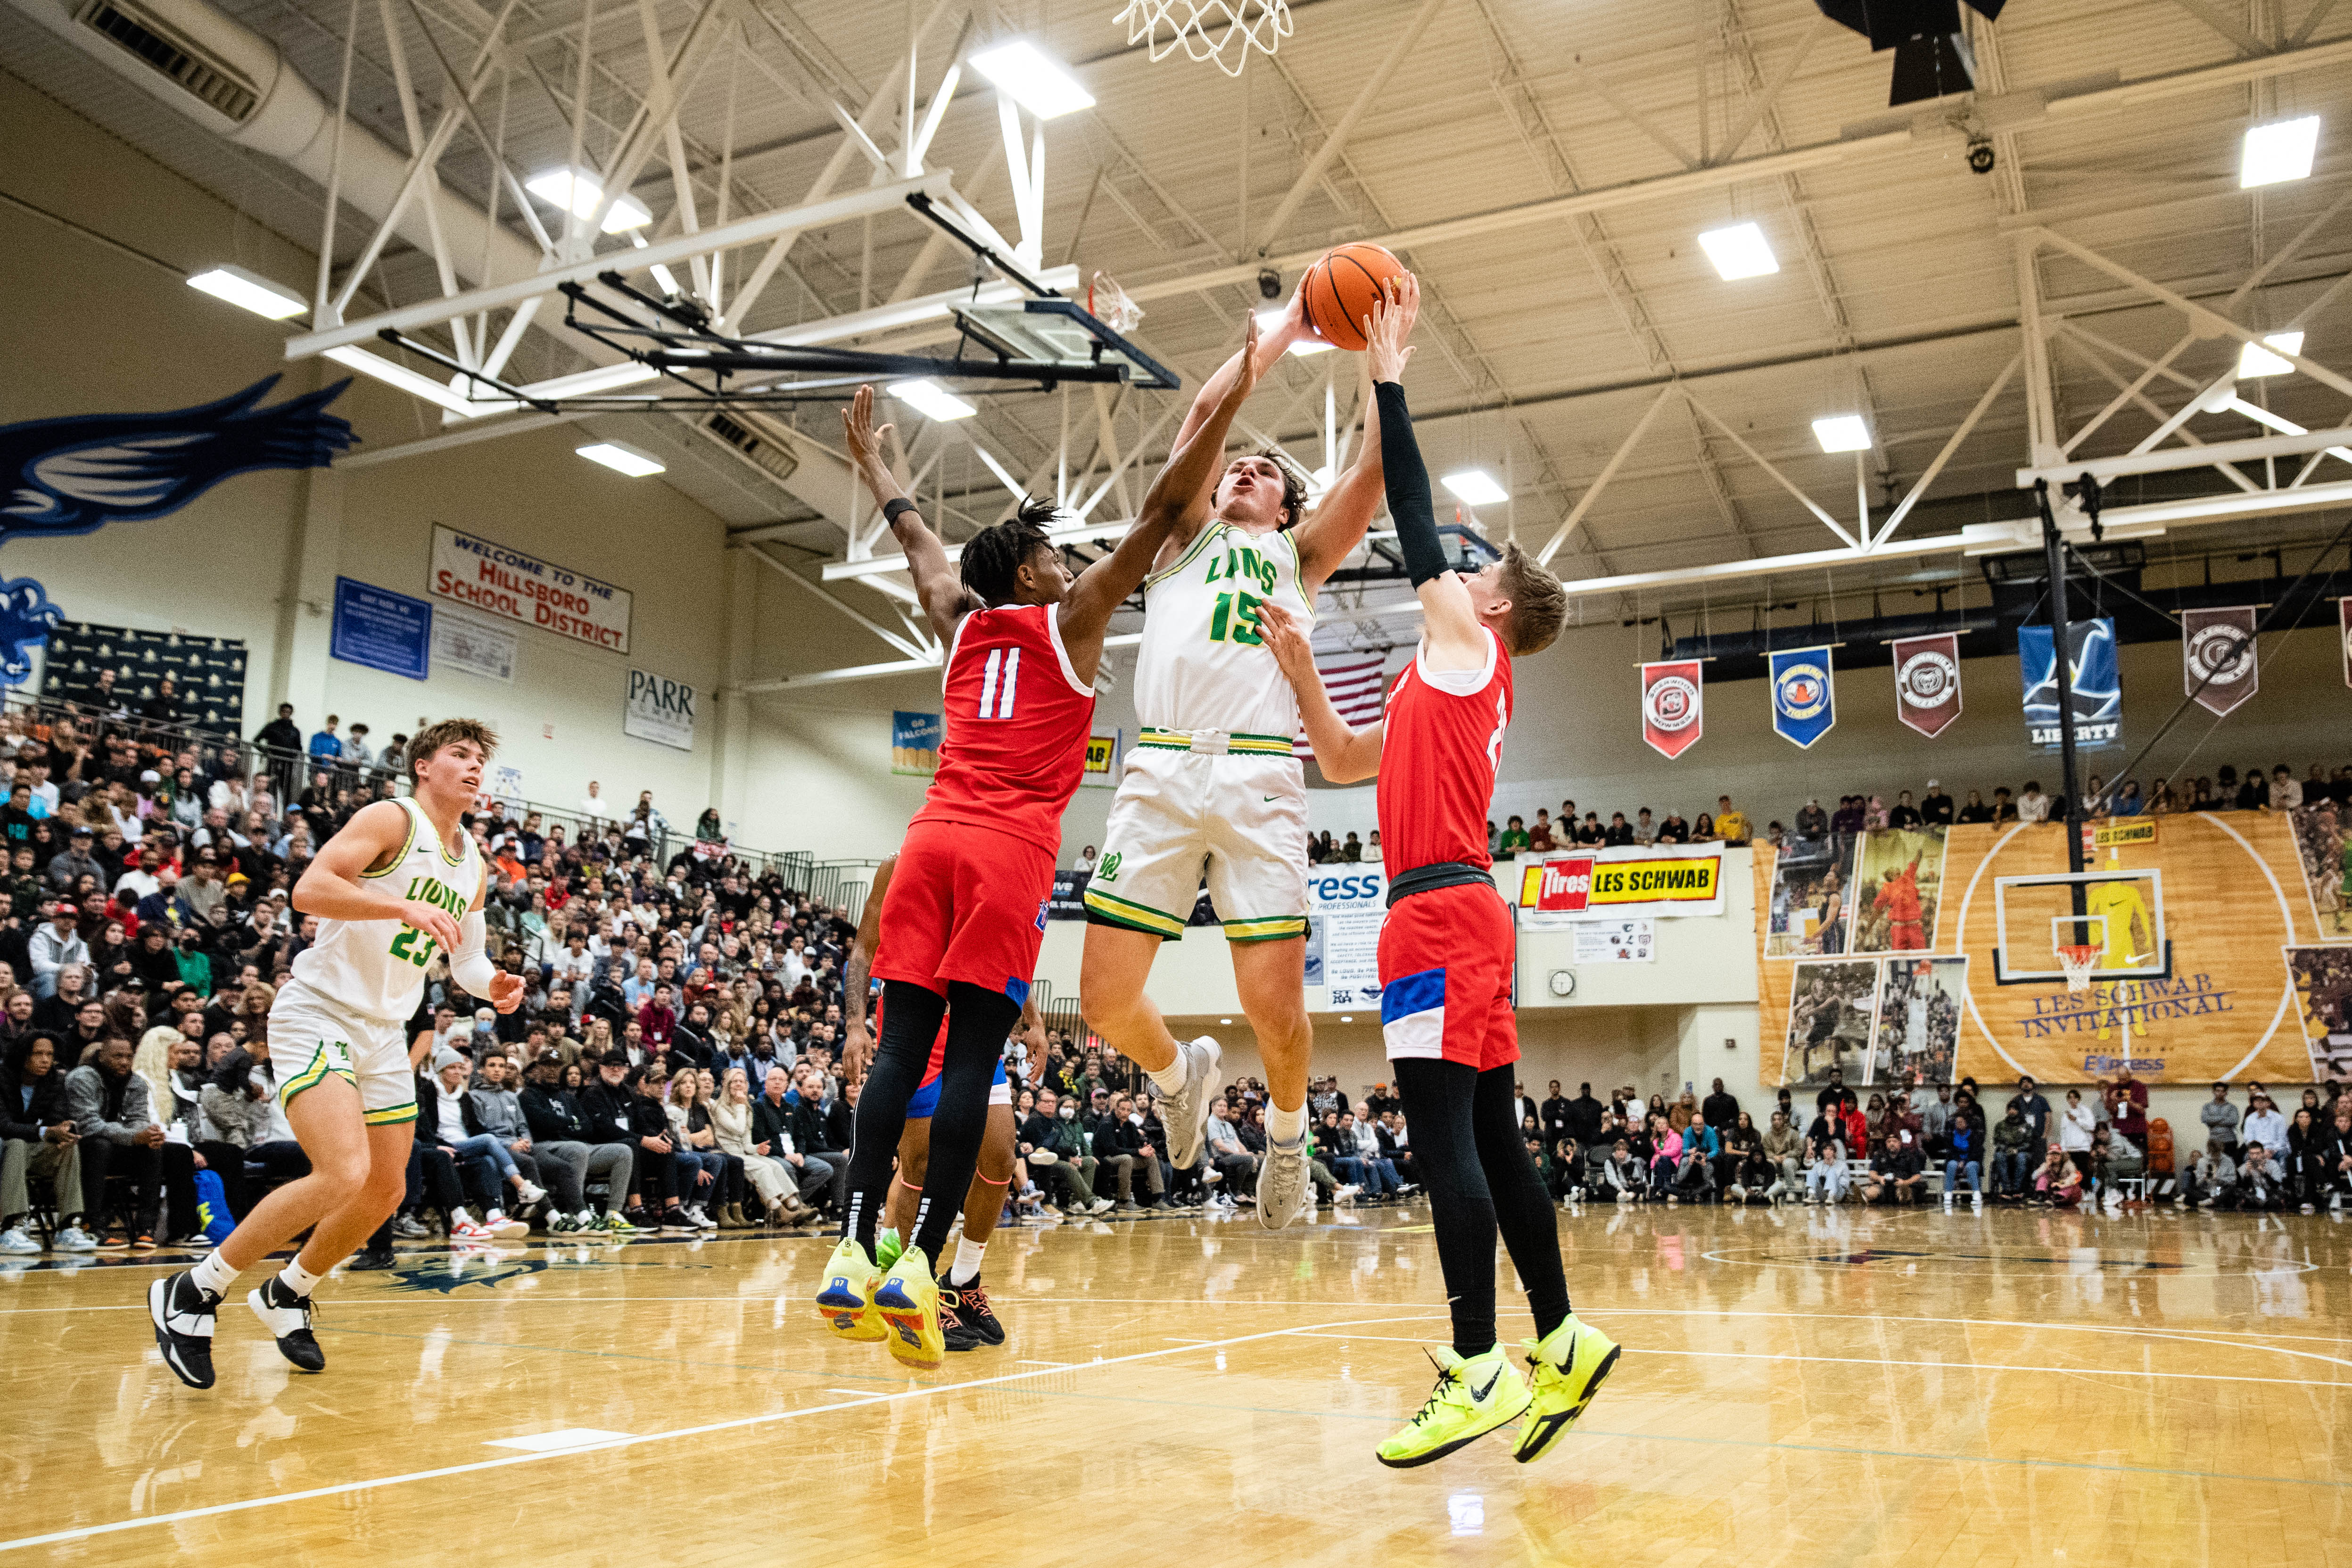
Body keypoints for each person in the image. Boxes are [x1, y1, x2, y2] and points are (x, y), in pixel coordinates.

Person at [818, 336, 1245, 1374]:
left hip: (928, 839)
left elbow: (915, 538)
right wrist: (1219, 406)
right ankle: (922, 1266)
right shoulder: (1071, 623)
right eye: (1053, 556)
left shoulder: (957, 624)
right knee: (970, 1058)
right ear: (1027, 569)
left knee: (903, 1043)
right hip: (1008, 848)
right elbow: (1156, 518)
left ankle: (849, 1244)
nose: (1069, 564)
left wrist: (877, 470)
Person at [1257, 274, 1608, 1469]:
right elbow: (1349, 758)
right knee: (1496, 1140)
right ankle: (1557, 1338)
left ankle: (1475, 1364)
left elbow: (1408, 515)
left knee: (1444, 1143)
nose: (1458, 570)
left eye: (1478, 572)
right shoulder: (1438, 679)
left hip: (1437, 915)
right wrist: (1303, 669)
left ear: (1494, 608)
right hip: (1460, 911)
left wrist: (1387, 381)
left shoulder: (1465, 645)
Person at [1076, 288, 1396, 1242]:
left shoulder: (1296, 558)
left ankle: (1289, 1142)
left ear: (1287, 504)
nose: (1244, 467)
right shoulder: (1180, 538)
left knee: (1274, 1005)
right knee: (1100, 1001)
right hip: (1163, 772)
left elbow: (1373, 472)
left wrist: (1381, 365)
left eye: (1264, 470)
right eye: (1236, 467)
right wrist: (1285, 331)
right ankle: (1180, 1081)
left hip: (1260, 777)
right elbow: (1201, 423)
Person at [147, 719, 523, 1390]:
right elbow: (309, 890)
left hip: (382, 1028)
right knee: (341, 1171)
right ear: (424, 766)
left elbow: (465, 957)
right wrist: (400, 907)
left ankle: (288, 1291)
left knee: (386, 1187)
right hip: (320, 1009)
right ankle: (195, 1289)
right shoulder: (390, 817)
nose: (473, 768)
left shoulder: (472, 861)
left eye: (480, 761)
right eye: (459, 756)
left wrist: (491, 984)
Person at [841, 852, 1026, 1350]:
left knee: (1000, 1157)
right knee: (919, 1165)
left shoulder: (996, 856)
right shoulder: (898, 864)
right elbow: (863, 950)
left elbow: (1011, 942)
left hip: (976, 1019)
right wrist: (856, 1024)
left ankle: (963, 1281)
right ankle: (911, 1287)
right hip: (920, 1023)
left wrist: (1036, 1021)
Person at [0, 1033, 91, 1252]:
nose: (45, 1060)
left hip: (33, 1150)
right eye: (38, 1054)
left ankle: (68, 1227)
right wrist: (45, 1131)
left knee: (68, 1148)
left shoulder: (55, 1080)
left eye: (49, 1054)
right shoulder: (2, 1078)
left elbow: (56, 1119)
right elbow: (3, 1124)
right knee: (16, 1144)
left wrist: (64, 1131)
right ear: (23, 1056)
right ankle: (11, 1228)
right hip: (5, 1149)